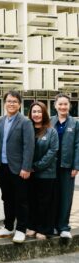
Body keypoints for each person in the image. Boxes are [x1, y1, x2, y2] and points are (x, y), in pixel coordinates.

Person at [0, 90, 34, 244]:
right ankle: (8, 227)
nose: (11, 104)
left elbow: (29, 146)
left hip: (19, 169)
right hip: (3, 167)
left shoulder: (25, 122)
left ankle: (21, 229)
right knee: (7, 198)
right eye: (9, 101)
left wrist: (26, 167)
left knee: (21, 200)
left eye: (15, 101)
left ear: (20, 104)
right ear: (5, 103)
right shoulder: (0, 121)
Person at [27, 101, 58, 239]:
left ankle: (44, 229)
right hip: (29, 173)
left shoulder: (51, 131)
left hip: (46, 173)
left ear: (44, 113)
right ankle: (32, 226)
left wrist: (36, 166)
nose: (37, 114)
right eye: (34, 111)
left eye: (39, 111)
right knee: (31, 201)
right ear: (30, 114)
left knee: (45, 203)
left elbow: (52, 152)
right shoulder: (27, 129)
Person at [52, 93, 79, 239]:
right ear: (55, 106)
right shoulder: (50, 121)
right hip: (50, 166)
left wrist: (76, 165)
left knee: (66, 197)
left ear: (69, 106)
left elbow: (78, 145)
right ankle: (52, 225)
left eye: (65, 104)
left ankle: (63, 227)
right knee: (52, 196)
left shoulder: (75, 123)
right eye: (60, 104)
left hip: (67, 166)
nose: (63, 107)